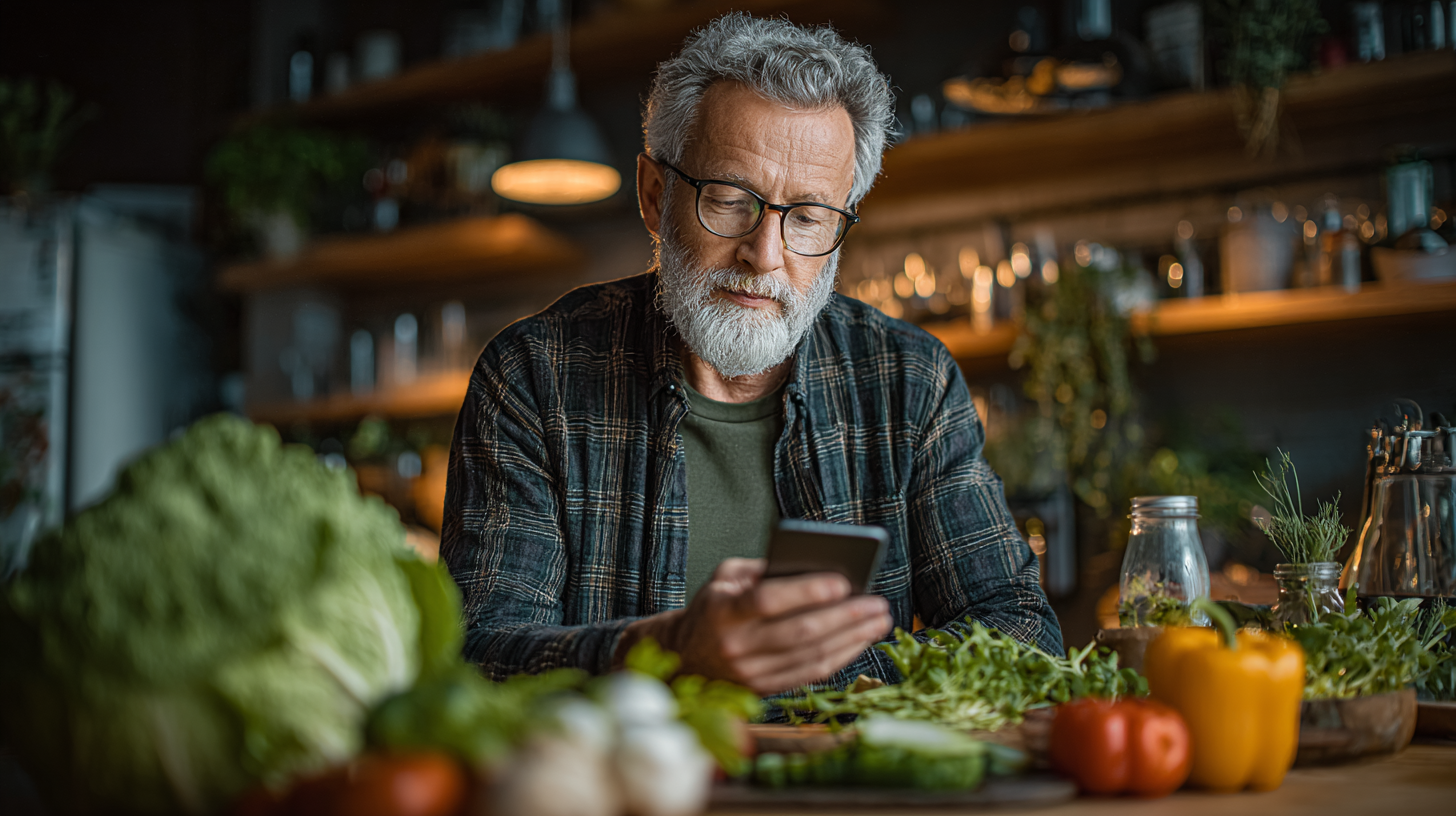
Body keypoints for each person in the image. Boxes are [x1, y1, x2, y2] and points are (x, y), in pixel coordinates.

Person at [441, 13, 1062, 697]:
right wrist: (669, 651)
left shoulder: (909, 380)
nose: (764, 256)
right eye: (732, 201)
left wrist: (817, 682)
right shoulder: (534, 377)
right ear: (655, 196)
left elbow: (1021, 629)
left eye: (807, 218)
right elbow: (479, 655)